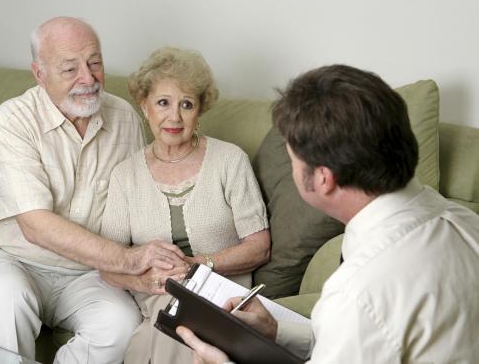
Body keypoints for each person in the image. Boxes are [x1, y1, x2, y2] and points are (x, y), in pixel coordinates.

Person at [177, 64, 479, 363]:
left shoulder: (358, 292)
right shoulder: (466, 223)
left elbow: (365, 322)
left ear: (323, 178)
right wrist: (278, 332)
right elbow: (371, 340)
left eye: (291, 158)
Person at [0, 17, 187, 364]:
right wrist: (126, 259)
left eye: (95, 62)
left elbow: (135, 208)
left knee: (120, 327)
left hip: (87, 273)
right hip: (12, 258)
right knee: (3, 301)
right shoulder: (13, 120)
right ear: (39, 73)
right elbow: (35, 224)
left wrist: (151, 264)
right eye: (69, 69)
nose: (88, 78)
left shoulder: (123, 118)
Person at [99, 47, 271, 364]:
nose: (175, 117)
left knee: (180, 328)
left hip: (222, 294)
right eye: (163, 103)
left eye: (186, 105)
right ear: (144, 105)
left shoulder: (230, 161)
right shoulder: (125, 174)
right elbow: (109, 266)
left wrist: (199, 264)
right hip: (156, 295)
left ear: (200, 110)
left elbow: (259, 247)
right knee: (171, 324)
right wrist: (146, 281)